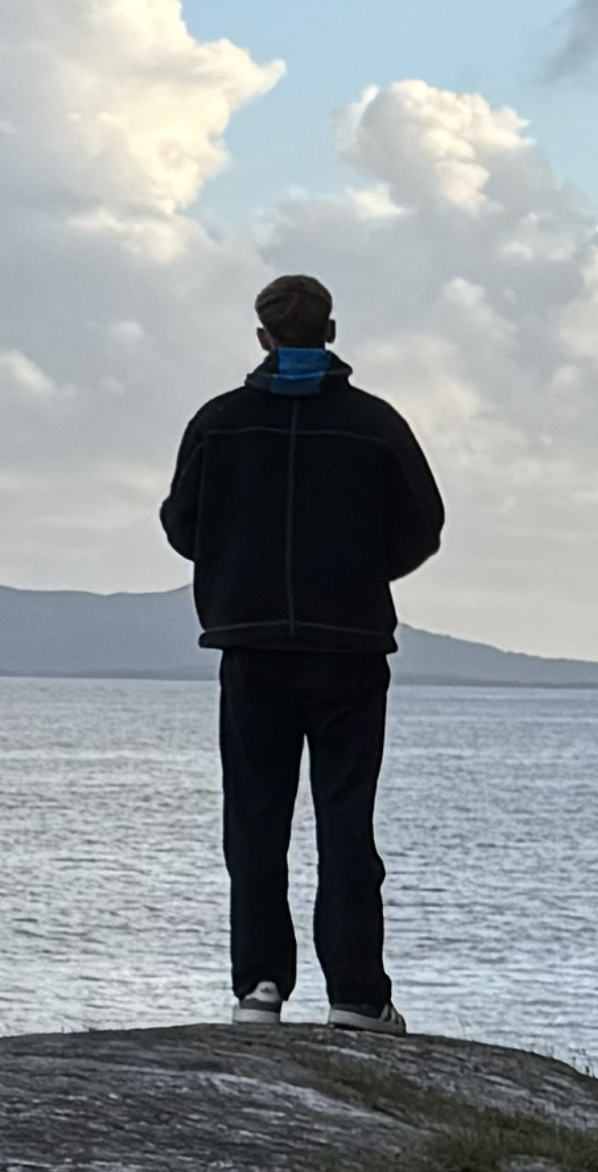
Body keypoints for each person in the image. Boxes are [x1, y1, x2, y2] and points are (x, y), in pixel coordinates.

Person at [160, 273, 445, 1030]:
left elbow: (182, 525)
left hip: (251, 645)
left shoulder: (219, 423)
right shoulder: (375, 423)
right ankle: (355, 997)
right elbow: (423, 528)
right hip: (348, 648)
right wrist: (355, 571)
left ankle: (259, 988)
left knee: (256, 820)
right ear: (332, 331)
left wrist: (237, 567)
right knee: (347, 822)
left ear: (263, 338)